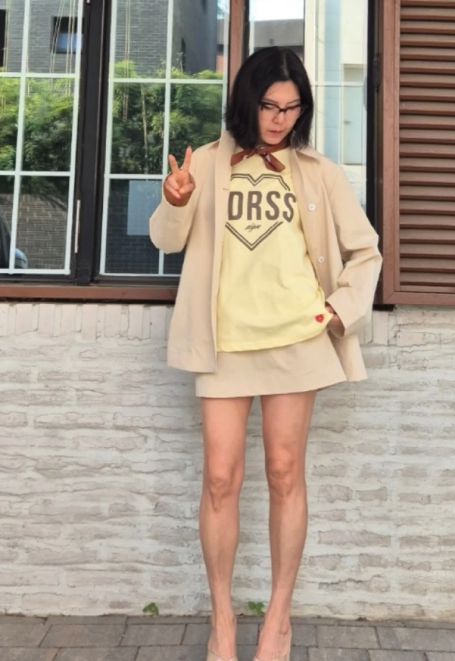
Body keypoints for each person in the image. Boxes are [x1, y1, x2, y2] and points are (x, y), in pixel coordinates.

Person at [149, 46, 382, 661]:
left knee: (284, 473)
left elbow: (365, 251)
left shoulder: (318, 172)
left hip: (296, 340)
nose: (279, 119)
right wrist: (176, 200)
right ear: (246, 102)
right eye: (269, 105)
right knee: (220, 479)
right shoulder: (206, 163)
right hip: (224, 343)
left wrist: (338, 311)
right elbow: (167, 241)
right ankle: (222, 622)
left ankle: (278, 618)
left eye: (292, 107)